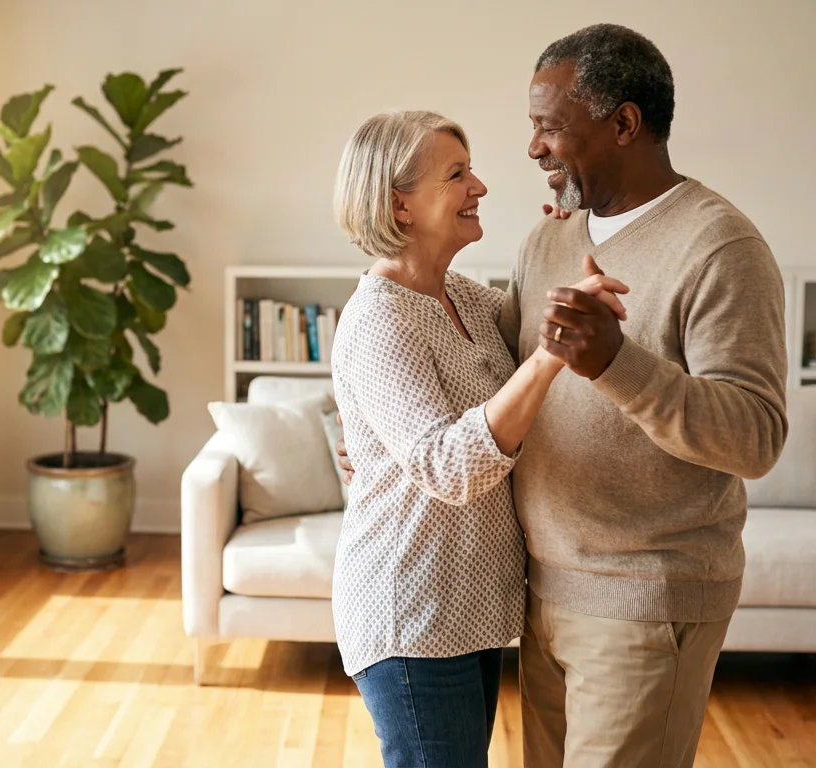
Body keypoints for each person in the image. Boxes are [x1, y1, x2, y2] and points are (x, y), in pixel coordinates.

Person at [338, 24, 790, 768]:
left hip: (645, 599)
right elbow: (484, 374)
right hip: (537, 599)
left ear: (623, 123)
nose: (532, 149)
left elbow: (756, 438)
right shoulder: (548, 240)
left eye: (549, 126)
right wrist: (371, 442)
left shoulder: (720, 247)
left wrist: (617, 362)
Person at [329, 109, 629, 768]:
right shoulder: (379, 319)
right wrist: (548, 357)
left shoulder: (461, 298)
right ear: (398, 204)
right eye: (457, 174)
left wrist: (564, 240)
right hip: (410, 615)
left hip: (470, 610)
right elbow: (448, 466)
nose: (481, 187)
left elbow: (536, 325)